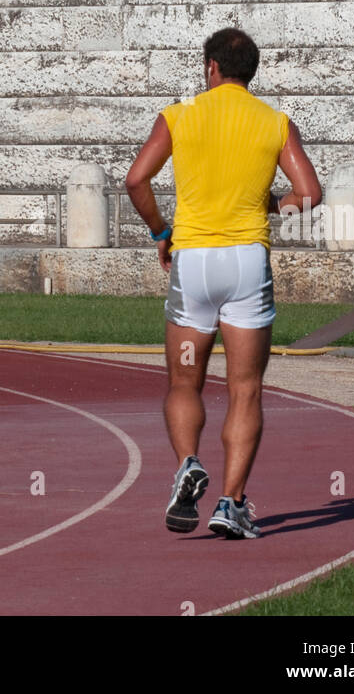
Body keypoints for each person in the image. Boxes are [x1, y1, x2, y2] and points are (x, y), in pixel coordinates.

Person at [125, 27, 322, 539]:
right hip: (246, 263)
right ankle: (231, 503)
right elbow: (309, 194)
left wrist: (160, 232)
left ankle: (189, 462)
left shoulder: (180, 115)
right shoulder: (275, 122)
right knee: (245, 389)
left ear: (211, 68)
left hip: (194, 264)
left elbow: (135, 180)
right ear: (249, 72)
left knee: (185, 382)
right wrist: (272, 204)